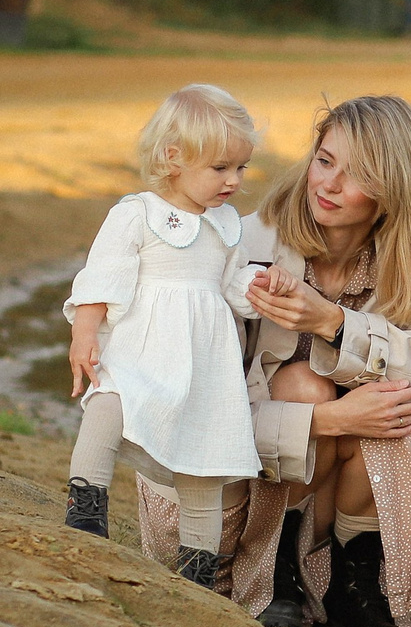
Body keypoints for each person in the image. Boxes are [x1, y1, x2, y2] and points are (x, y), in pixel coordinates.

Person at [139, 95, 411, 627]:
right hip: (209, 511)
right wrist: (330, 421)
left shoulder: (400, 263)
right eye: (323, 160)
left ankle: (353, 581)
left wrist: (332, 323)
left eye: (358, 174)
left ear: (393, 188)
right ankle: (274, 570)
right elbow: (185, 406)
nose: (330, 184)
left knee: (395, 407)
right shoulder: (240, 249)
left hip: (306, 486)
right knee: (308, 387)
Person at [63, 85, 264, 588]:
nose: (233, 182)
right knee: (107, 407)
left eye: (241, 168)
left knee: (203, 459)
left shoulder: (226, 224)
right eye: (220, 168)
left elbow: (231, 284)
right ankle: (86, 514)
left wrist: (259, 285)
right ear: (173, 157)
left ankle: (197, 570)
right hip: (140, 349)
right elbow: (101, 277)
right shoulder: (138, 213)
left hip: (204, 362)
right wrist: (85, 333)